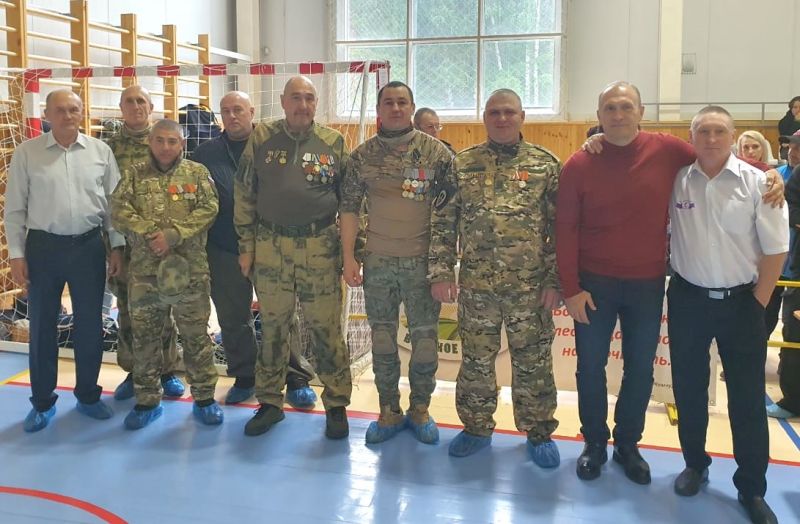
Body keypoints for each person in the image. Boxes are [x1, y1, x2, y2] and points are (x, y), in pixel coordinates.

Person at [562, 81, 786, 484]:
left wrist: (772, 173)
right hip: (603, 286)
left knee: (643, 370)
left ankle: (629, 444)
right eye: (610, 108)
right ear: (599, 115)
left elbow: (719, 156)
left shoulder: (667, 151)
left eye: (626, 106)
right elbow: (565, 229)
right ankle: (596, 443)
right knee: (593, 368)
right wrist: (570, 288)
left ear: (641, 112)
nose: (618, 114)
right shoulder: (584, 163)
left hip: (652, 286)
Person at [428, 88, 562, 467]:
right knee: (476, 361)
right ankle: (476, 427)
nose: (502, 119)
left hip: (530, 289)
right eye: (494, 112)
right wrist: (440, 271)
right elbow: (443, 223)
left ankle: (538, 431)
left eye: (509, 112)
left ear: (522, 117)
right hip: (477, 287)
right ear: (485, 118)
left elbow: (562, 228)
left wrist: (555, 280)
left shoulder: (545, 165)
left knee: (534, 361)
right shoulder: (463, 164)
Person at [668, 105, 786, 524]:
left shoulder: (761, 183)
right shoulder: (676, 180)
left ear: (733, 136)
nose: (712, 139)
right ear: (692, 137)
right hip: (688, 300)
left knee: (747, 398)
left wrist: (758, 302)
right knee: (688, 389)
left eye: (720, 131)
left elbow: (777, 249)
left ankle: (751, 487)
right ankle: (695, 465)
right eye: (704, 131)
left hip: (743, 303)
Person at [234, 76, 352, 439]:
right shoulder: (262, 137)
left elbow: (350, 202)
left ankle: (336, 404)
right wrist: (246, 246)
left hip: (320, 246)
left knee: (326, 328)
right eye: (296, 98)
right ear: (283, 102)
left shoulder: (333, 142)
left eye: (309, 98)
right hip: (271, 245)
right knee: (273, 327)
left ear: (316, 103)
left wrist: (350, 253)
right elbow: (244, 192)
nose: (303, 105)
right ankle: (270, 402)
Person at [4, 89, 123, 432]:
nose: (68, 115)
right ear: (47, 114)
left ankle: (88, 395)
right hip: (43, 248)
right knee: (42, 326)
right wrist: (16, 254)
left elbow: (114, 206)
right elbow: (14, 208)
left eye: (73, 109)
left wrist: (117, 246)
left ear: (82, 112)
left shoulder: (100, 152)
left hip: (88, 247)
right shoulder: (28, 153)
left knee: (90, 324)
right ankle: (42, 402)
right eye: (60, 110)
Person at [340, 82, 452, 445]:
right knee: (383, 340)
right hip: (379, 263)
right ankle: (389, 410)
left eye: (402, 102)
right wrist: (349, 258)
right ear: (379, 110)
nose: (396, 108)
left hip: (422, 265)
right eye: (388, 102)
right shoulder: (362, 157)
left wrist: (443, 267)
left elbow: (449, 214)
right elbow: (348, 210)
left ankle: (420, 409)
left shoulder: (436, 154)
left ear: (412, 107)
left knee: (425, 342)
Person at [192, 91, 318, 407]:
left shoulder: (276, 145)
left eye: (238, 109)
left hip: (271, 246)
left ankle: (295, 377)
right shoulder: (205, 154)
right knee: (232, 316)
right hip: (224, 248)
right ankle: (245, 376)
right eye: (225, 111)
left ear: (251, 111)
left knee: (282, 314)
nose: (232, 116)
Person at [111, 119, 222, 430]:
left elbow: (210, 208)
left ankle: (204, 398)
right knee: (145, 338)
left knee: (196, 336)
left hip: (190, 272)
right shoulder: (133, 175)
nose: (165, 147)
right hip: (145, 274)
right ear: (150, 142)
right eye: (159, 140)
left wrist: (174, 234)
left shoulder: (196, 173)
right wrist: (151, 233)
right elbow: (118, 210)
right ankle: (147, 400)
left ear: (182, 144)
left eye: (172, 141)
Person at [105, 85, 185, 400]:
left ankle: (167, 371)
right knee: (128, 310)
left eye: (141, 101)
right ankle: (134, 371)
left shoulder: (164, 141)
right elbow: (107, 199)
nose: (136, 106)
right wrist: (114, 246)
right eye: (129, 101)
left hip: (161, 243)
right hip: (124, 244)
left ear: (151, 107)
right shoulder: (109, 148)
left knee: (164, 306)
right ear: (121, 107)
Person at [772, 135, 800, 420]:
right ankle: (792, 400)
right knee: (794, 332)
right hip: (792, 269)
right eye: (791, 145)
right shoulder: (786, 176)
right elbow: (790, 209)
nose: (793, 151)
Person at [778, 96, 800, 160]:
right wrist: (796, 122)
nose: (798, 110)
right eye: (795, 107)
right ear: (791, 109)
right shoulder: (784, 122)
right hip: (788, 147)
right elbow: (785, 138)